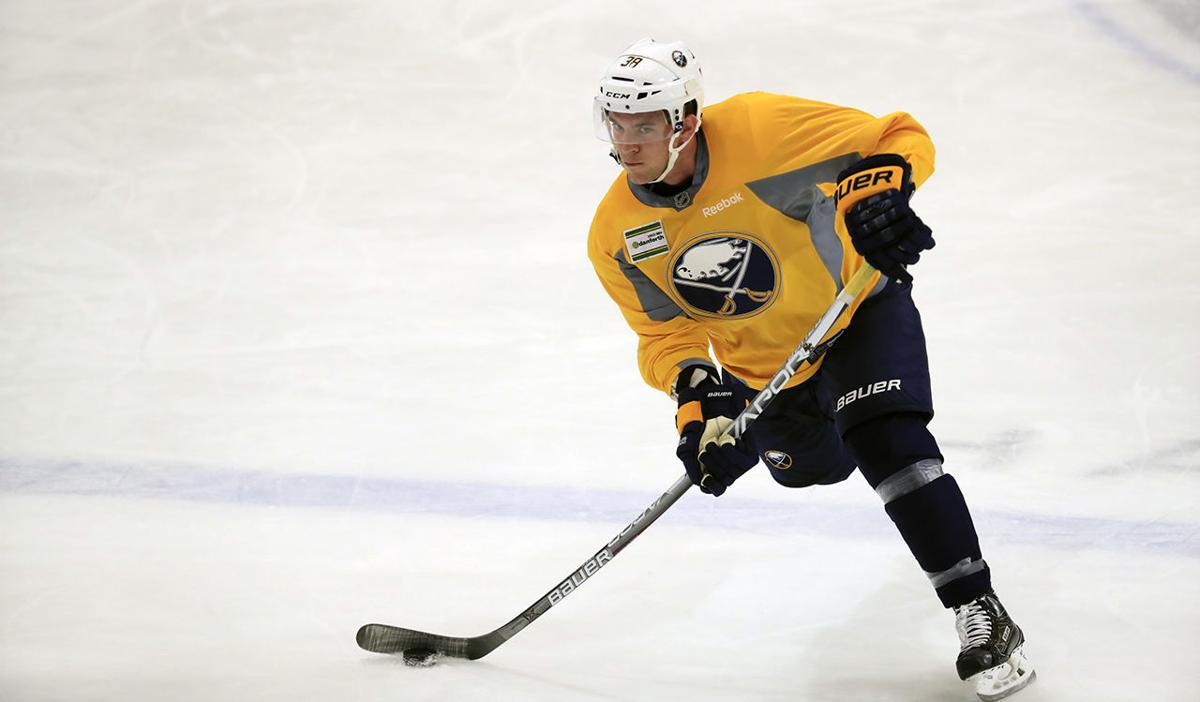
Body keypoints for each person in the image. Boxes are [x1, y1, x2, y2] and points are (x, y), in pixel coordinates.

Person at [586, 38, 1036, 701]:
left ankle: (982, 613)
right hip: (766, 373)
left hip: (855, 312)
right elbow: (665, 333)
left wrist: (876, 200)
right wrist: (700, 408)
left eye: (644, 125)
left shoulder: (761, 132)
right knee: (815, 468)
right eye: (616, 125)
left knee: (889, 442)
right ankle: (825, 429)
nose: (627, 142)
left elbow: (895, 136)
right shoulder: (616, 232)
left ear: (684, 120)